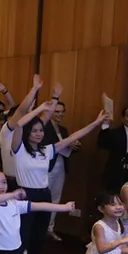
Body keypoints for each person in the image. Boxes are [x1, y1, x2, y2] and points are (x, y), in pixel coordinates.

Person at [10, 100, 107, 254]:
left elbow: (73, 138)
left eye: (41, 130)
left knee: (39, 235)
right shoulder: (18, 149)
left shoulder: (47, 150)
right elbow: (19, 124)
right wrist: (40, 109)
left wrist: (95, 123)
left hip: (44, 195)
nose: (38, 134)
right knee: (22, 234)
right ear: (27, 133)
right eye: (34, 131)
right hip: (25, 196)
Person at [42, 101, 76, 241]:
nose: (60, 114)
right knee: (44, 198)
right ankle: (39, 229)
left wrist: (73, 145)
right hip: (46, 167)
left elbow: (66, 147)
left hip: (61, 166)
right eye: (57, 111)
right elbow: (44, 147)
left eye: (62, 111)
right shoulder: (43, 127)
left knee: (55, 198)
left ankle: (49, 228)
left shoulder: (63, 129)